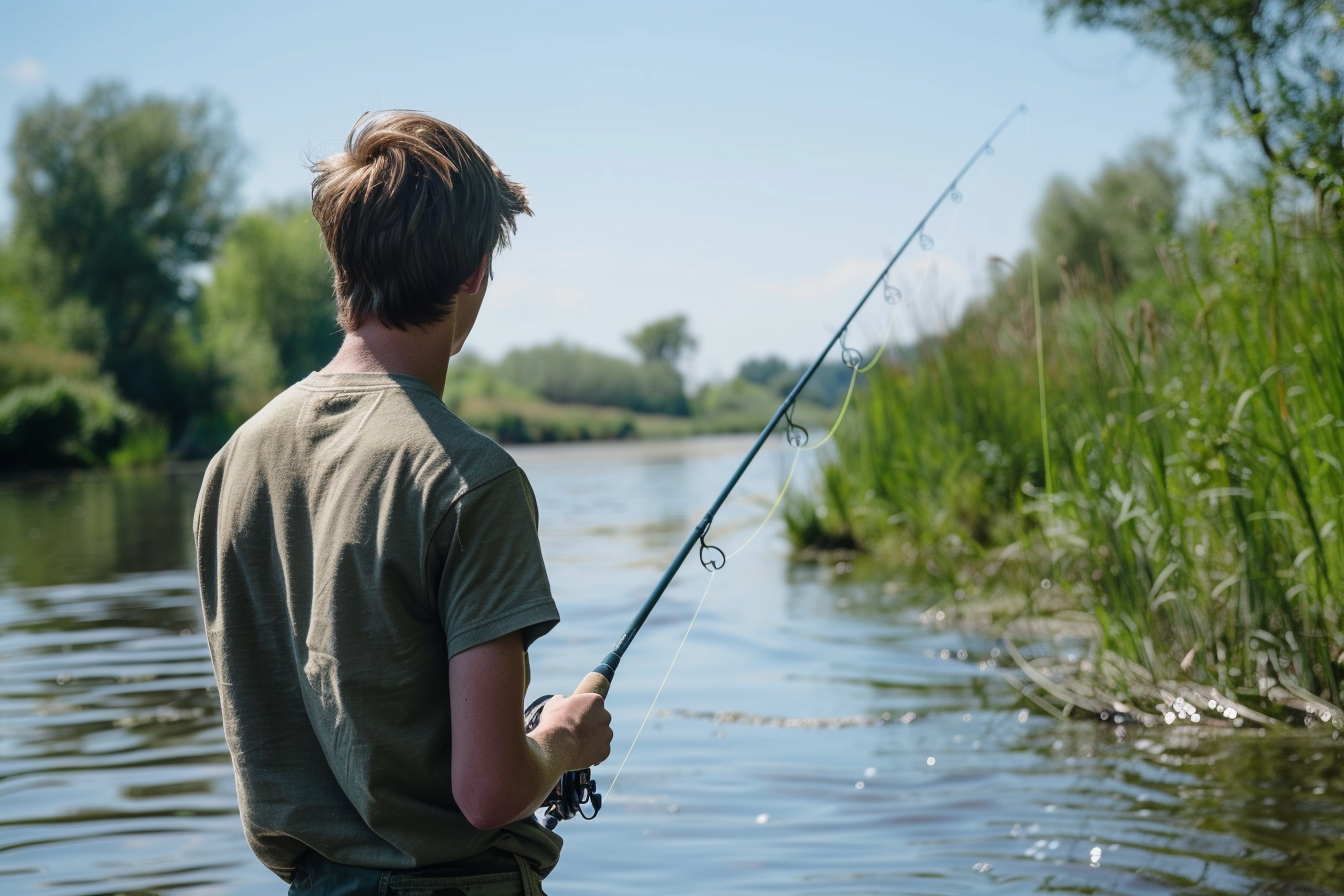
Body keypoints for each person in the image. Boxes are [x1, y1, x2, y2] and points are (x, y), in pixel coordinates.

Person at [194, 110, 613, 896]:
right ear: (473, 274)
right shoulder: (470, 480)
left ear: (340, 260)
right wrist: (558, 742)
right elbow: (488, 792)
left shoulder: (234, 464)